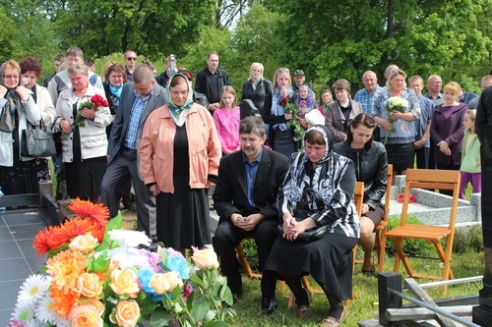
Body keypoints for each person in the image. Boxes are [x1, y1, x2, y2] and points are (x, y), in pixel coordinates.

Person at [263, 125, 359, 325]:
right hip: (302, 222)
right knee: (280, 247)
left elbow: (340, 205)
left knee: (315, 250)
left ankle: (336, 307)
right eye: (309, 147)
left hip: (340, 225)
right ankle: (301, 296)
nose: (313, 153)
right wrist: (287, 217)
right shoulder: (297, 159)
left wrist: (305, 224)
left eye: (318, 148)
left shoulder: (344, 165)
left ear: (328, 146)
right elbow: (285, 193)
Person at [138, 72, 221, 251]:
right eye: (175, 92)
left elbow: (214, 145)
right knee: (172, 238)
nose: (180, 96)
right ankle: (175, 273)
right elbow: (145, 151)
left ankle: (198, 274)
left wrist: (212, 173)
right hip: (168, 184)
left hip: (196, 182)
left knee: (197, 239)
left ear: (189, 91)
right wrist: (150, 178)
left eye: (183, 92)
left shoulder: (202, 114)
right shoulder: (156, 117)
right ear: (169, 92)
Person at [212, 116, 289, 303]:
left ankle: (268, 294)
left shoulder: (280, 162)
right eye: (243, 139)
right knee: (221, 236)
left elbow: (283, 199)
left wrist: (261, 216)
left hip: (266, 215)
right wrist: (233, 215)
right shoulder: (229, 162)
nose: (247, 144)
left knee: (266, 235)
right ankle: (233, 288)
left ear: (263, 139)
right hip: (238, 215)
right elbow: (220, 199)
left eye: (252, 139)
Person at [100, 64, 166, 238]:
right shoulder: (128, 89)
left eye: (142, 89)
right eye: (137, 89)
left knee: (145, 203)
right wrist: (110, 149)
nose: (139, 92)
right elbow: (119, 121)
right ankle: (111, 233)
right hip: (122, 152)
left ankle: (147, 244)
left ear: (152, 82)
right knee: (107, 187)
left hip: (143, 158)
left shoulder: (163, 97)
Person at [333, 113, 387, 276]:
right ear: (351, 128)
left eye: (368, 135)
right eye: (360, 134)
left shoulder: (379, 150)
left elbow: (381, 184)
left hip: (371, 203)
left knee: (363, 229)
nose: (364, 139)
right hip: (344, 204)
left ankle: (368, 258)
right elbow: (334, 182)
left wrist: (369, 203)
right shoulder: (337, 150)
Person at [52, 64, 112, 202]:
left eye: (78, 78)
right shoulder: (64, 95)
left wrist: (93, 116)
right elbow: (55, 118)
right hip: (72, 152)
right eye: (72, 79)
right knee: (77, 191)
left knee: (95, 190)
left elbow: (108, 118)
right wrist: (61, 123)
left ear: (86, 77)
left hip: (94, 151)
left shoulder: (97, 93)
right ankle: (81, 220)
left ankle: (95, 220)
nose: (75, 82)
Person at [0, 60, 53, 195]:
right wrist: (1, 98)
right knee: (11, 197)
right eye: (8, 76)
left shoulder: (26, 93)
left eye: (15, 76)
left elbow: (36, 118)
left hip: (27, 152)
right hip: (6, 155)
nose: (12, 80)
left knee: (32, 196)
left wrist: (26, 99)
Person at [373, 69, 421, 175]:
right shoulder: (381, 94)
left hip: (406, 142)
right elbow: (373, 114)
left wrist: (401, 115)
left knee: (406, 173)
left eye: (401, 80)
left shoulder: (410, 94)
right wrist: (381, 121)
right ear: (390, 81)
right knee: (390, 173)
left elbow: (417, 113)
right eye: (396, 80)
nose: (399, 82)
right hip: (388, 140)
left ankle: (405, 192)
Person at [18, 57, 57, 185]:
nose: (28, 80)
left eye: (32, 77)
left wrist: (38, 116)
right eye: (25, 76)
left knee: (41, 187)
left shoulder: (42, 92)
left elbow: (51, 113)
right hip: (18, 145)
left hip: (38, 144)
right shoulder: (13, 91)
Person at [430, 82, 468, 174]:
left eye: (452, 94)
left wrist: (447, 142)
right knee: (443, 181)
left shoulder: (463, 109)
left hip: (456, 151)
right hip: (441, 150)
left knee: (457, 183)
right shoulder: (437, 109)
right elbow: (433, 130)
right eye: (446, 93)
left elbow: (462, 128)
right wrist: (441, 143)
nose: (448, 96)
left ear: (457, 95)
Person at [261, 67, 299, 157]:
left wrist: (286, 98)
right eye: (281, 79)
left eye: (286, 79)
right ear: (276, 80)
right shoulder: (270, 96)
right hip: (276, 135)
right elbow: (265, 117)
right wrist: (283, 118)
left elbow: (294, 114)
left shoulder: (294, 95)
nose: (283, 81)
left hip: (290, 135)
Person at [408, 75, 435, 169]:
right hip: (408, 141)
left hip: (424, 141)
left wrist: (423, 140)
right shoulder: (405, 103)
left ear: (422, 86)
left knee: (424, 170)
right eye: (413, 86)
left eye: (417, 85)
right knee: (407, 170)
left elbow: (431, 123)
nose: (415, 88)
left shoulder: (429, 103)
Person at [325, 79, 363, 143]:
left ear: (348, 91)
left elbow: (361, 124)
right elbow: (328, 125)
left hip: (356, 141)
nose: (339, 94)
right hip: (337, 143)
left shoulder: (358, 106)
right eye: (337, 92)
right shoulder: (331, 108)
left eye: (341, 91)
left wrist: (354, 136)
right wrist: (343, 136)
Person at [459, 109, 481, 199]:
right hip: (465, 167)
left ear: (473, 122)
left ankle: (477, 212)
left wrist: (478, 163)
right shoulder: (466, 132)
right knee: (458, 190)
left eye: (466, 120)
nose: (463, 122)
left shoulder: (483, 135)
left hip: (478, 169)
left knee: (477, 194)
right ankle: (467, 209)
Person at [214, 85, 240, 155]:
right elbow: (217, 132)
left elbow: (243, 129)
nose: (227, 100)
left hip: (239, 149)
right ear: (221, 98)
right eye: (224, 98)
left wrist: (239, 146)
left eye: (229, 97)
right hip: (224, 150)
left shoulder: (239, 111)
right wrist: (225, 149)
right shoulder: (217, 113)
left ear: (234, 97)